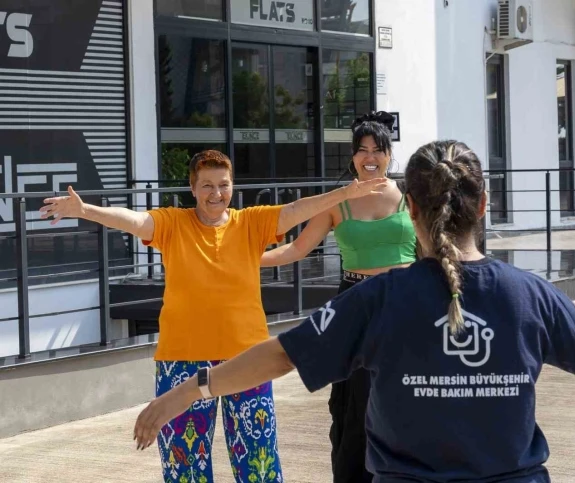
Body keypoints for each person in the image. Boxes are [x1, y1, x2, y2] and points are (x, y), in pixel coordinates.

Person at [133, 141, 575, 483]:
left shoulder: (379, 299)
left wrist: (192, 389)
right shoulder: (530, 295)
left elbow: (283, 356)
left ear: (407, 206)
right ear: (485, 205)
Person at [40, 150, 386, 483]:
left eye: (223, 184)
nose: (216, 193)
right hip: (181, 359)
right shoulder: (172, 224)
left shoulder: (251, 222)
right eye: (207, 185)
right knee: (184, 466)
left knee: (259, 464)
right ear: (193, 189)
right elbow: (133, 220)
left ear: (232, 186)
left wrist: (346, 193)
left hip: (248, 360)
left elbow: (296, 209)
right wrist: (85, 210)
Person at [260, 111, 416, 483]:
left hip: (405, 306)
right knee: (355, 406)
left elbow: (433, 249)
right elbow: (296, 249)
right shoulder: (337, 203)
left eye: (377, 149)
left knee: (407, 399)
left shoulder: (412, 197)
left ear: (390, 153)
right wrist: (240, 261)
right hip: (355, 306)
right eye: (362, 150)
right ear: (352, 156)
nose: (369, 157)